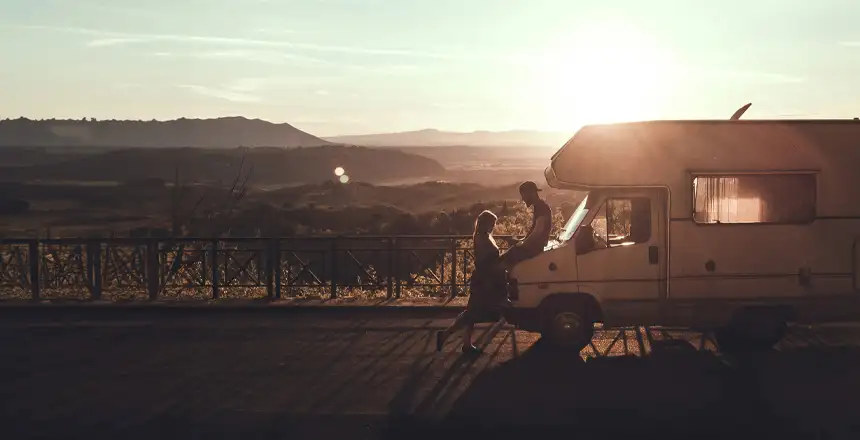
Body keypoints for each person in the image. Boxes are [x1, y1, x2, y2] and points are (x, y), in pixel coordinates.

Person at [436, 210, 506, 354]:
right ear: (485, 223)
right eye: (492, 223)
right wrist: (488, 278)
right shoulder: (481, 238)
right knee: (472, 313)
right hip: (483, 279)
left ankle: (466, 344)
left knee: (472, 313)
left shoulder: (485, 236)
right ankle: (446, 335)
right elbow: (482, 261)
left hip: (484, 278)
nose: (493, 226)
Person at [500, 181, 553, 269]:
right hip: (533, 248)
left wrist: (522, 244)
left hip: (533, 249)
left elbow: (538, 231)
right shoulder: (539, 207)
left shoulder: (541, 207)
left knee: (501, 262)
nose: (522, 199)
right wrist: (520, 241)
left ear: (531, 193)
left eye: (523, 195)